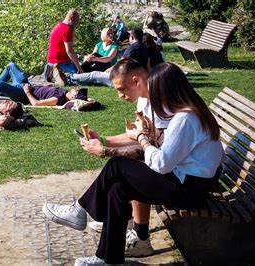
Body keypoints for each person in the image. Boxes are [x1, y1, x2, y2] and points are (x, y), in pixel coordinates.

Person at [42, 62, 224, 265]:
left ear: (168, 88)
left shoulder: (185, 119)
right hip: (185, 181)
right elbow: (168, 153)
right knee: (118, 189)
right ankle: (109, 259)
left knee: (117, 165)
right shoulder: (189, 112)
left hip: (188, 192)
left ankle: (80, 210)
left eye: (155, 87)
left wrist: (140, 137)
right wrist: (122, 140)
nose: (153, 93)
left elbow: (162, 163)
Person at [0, 62, 87, 106]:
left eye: (76, 90)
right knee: (11, 66)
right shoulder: (64, 92)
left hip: (22, 94)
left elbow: (35, 104)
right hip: (26, 84)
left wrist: (27, 92)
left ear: (74, 97)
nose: (75, 88)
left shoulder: (57, 99)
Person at [46, 9, 83, 74]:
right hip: (60, 62)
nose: (77, 23)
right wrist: (79, 67)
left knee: (79, 64)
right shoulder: (67, 29)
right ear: (71, 18)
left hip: (51, 61)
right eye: (77, 20)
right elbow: (70, 51)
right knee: (79, 75)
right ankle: (57, 73)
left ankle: (52, 72)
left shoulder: (58, 26)